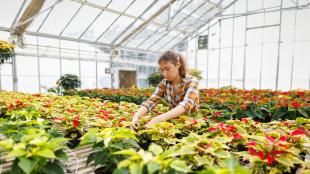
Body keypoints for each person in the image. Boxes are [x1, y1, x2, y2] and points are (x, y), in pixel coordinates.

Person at [131, 50, 199, 129]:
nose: (164, 73)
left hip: (191, 125)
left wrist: (157, 119)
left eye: (167, 69)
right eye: (162, 70)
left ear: (177, 65)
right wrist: (136, 116)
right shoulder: (164, 83)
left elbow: (185, 105)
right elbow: (151, 101)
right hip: (173, 123)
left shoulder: (192, 81)